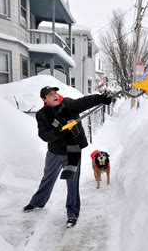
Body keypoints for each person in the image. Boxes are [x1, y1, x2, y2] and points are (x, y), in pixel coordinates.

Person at [23, 86, 113, 228]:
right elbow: (44, 135)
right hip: (54, 152)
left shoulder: (69, 105)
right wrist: (57, 131)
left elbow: (85, 101)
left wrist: (100, 98)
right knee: (48, 178)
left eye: (55, 92)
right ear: (44, 99)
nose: (55, 95)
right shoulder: (42, 114)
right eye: (50, 94)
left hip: (72, 151)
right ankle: (37, 202)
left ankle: (72, 214)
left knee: (72, 183)